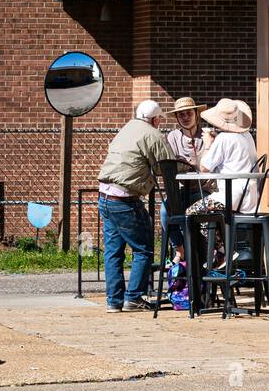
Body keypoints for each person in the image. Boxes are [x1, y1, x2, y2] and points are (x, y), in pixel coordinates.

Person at [96, 99, 175, 312]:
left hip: (104, 196)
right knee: (144, 250)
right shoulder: (153, 135)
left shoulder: (127, 128)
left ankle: (114, 301)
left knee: (113, 252)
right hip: (124, 200)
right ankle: (133, 298)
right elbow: (166, 168)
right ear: (156, 119)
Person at [186, 98, 259, 216]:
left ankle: (214, 235)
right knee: (210, 216)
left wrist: (208, 145)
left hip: (229, 197)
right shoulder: (247, 135)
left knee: (191, 214)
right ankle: (221, 234)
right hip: (250, 197)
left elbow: (204, 168)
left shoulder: (224, 138)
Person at [160, 96, 208, 264]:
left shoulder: (208, 135)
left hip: (205, 190)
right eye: (181, 115)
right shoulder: (173, 137)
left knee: (202, 216)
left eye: (189, 113)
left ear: (196, 114)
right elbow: (171, 166)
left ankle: (211, 254)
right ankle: (180, 249)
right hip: (183, 190)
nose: (186, 118)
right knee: (165, 210)